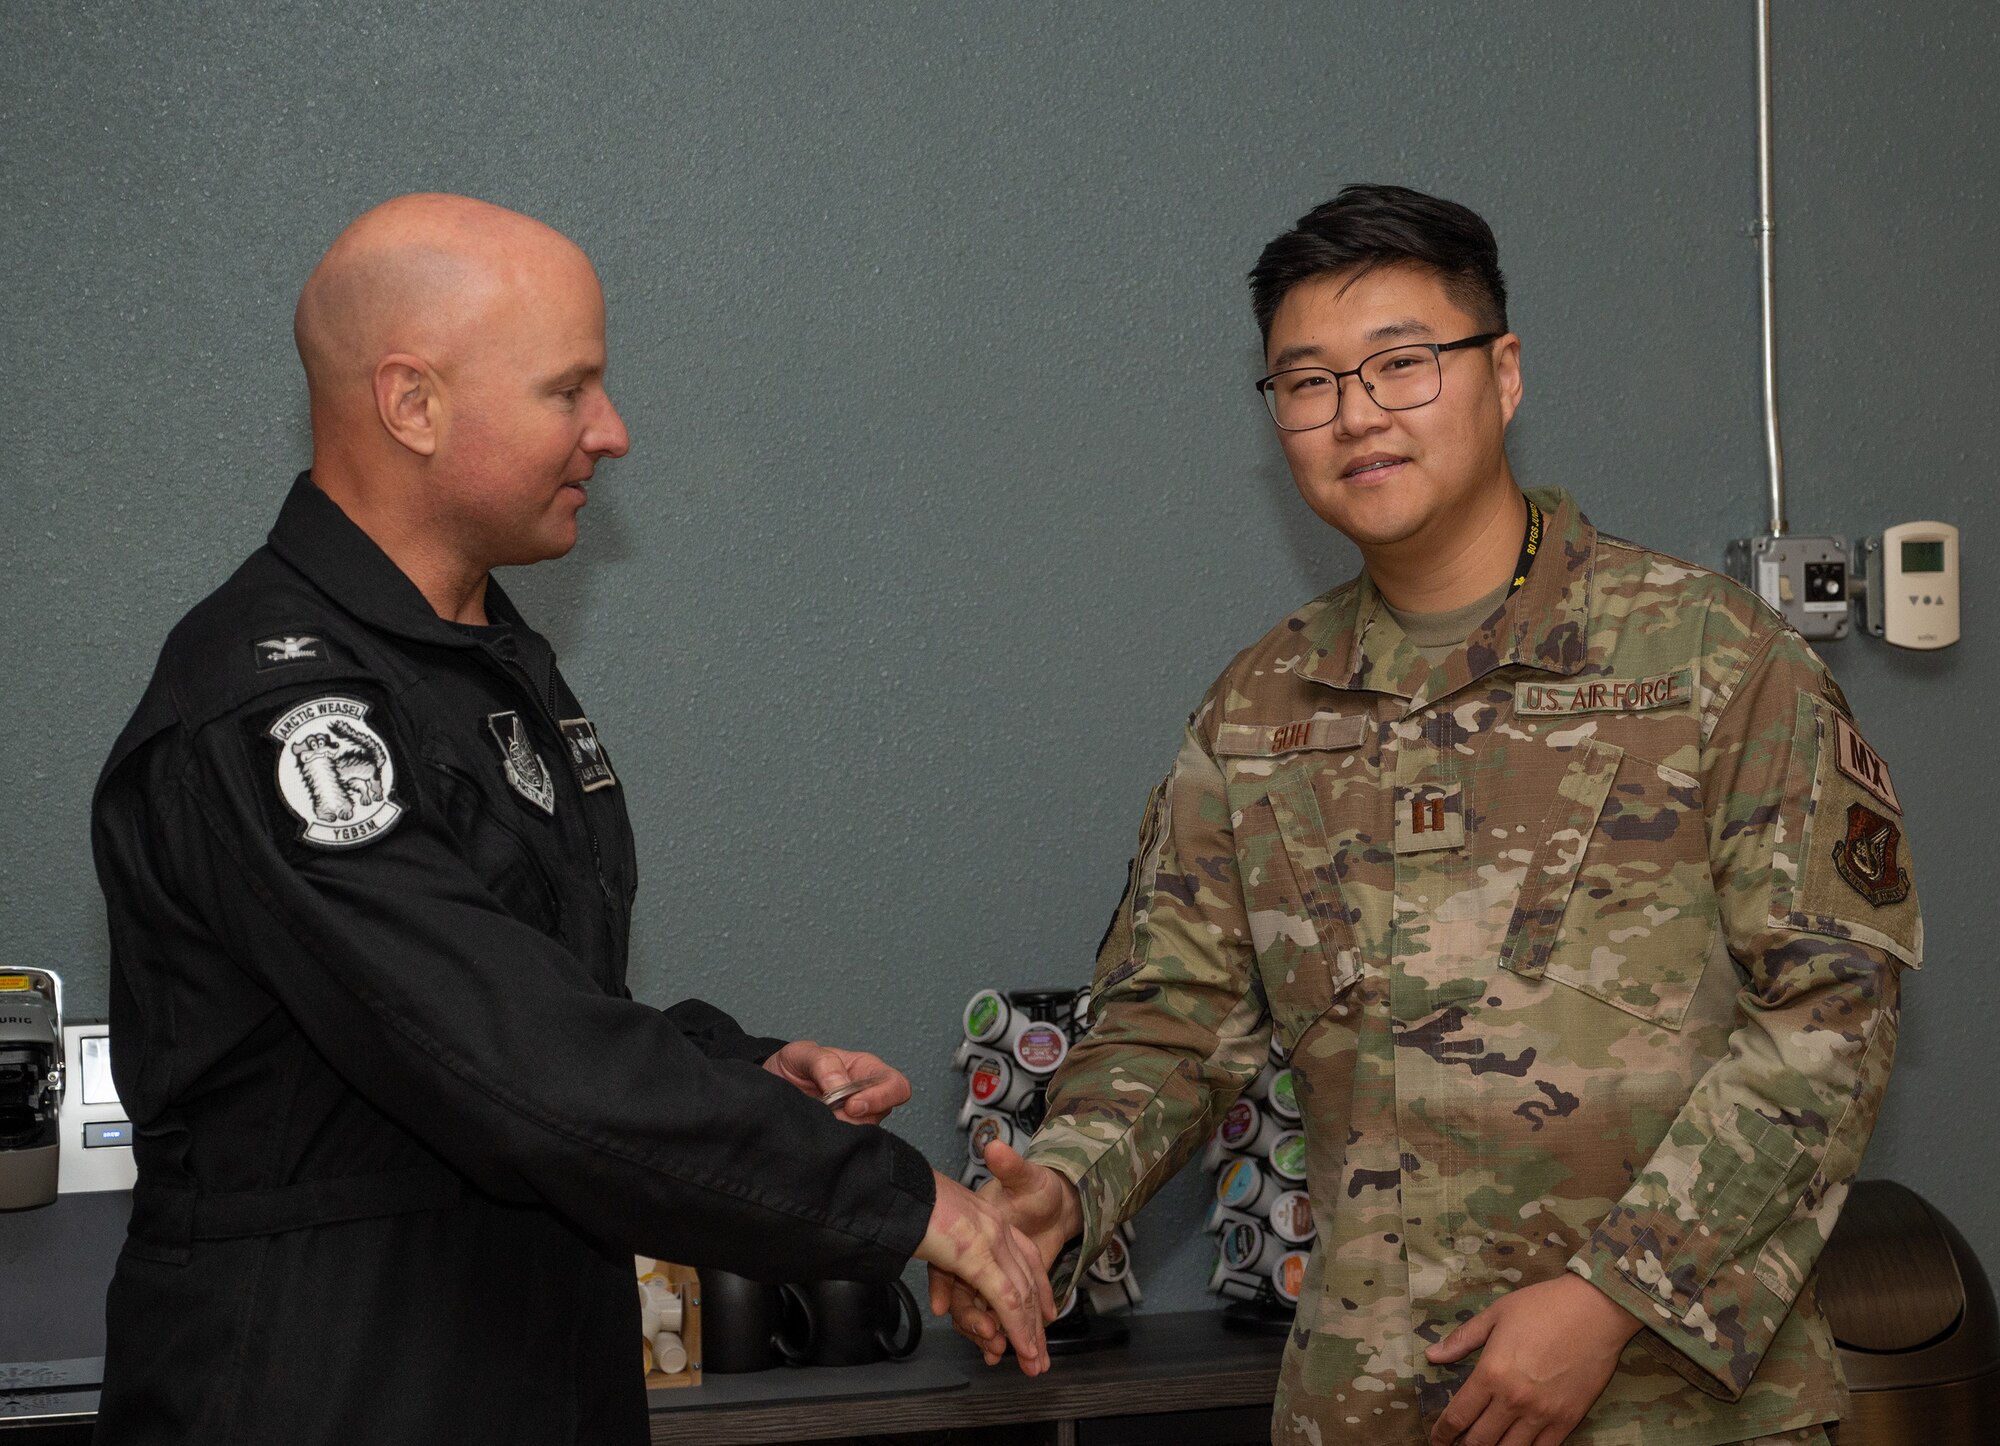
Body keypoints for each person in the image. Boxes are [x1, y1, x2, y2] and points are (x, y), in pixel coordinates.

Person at [939, 184, 1918, 1446]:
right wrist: (1060, 1195)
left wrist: (1610, 1300)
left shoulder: (1710, 661)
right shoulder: (1259, 710)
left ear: (1501, 374)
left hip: (1679, 1410)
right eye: (1307, 383)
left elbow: (1831, 1012)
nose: (1354, 416)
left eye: (1400, 365)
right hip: (1371, 1406)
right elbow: (1172, 1020)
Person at [90, 193, 1052, 1446]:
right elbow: (503, 1055)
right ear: (412, 403)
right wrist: (906, 1203)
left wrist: (736, 1070)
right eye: (568, 390)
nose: (612, 431)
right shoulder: (279, 708)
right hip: (332, 1385)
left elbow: (526, 995)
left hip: (519, 1364)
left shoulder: (475, 664)